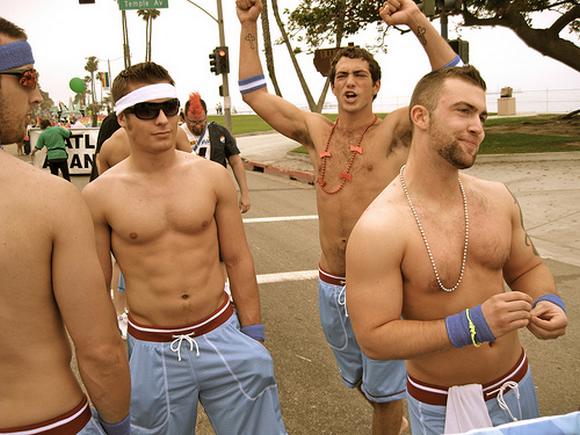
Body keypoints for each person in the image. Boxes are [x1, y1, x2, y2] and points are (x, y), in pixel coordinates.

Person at [236, 0, 462, 432]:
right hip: (330, 284)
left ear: (375, 86)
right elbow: (254, 93)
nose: (350, 82)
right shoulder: (315, 131)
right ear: (334, 85)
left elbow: (451, 83)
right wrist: (249, 24)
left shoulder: (397, 129)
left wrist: (415, 20)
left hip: (380, 284)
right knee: (362, 381)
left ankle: (392, 415)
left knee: (383, 396)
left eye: (360, 75)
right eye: (342, 75)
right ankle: (397, 416)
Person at [346, 65, 568, 435]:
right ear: (421, 116)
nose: (478, 126)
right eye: (463, 111)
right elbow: (374, 337)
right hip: (441, 405)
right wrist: (470, 326)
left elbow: (527, 267)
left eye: (481, 115)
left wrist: (548, 300)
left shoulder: (497, 198)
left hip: (516, 386)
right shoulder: (379, 227)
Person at [82, 61, 286, 434]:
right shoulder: (99, 196)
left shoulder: (211, 177)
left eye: (169, 107)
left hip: (222, 333)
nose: (162, 119)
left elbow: (238, 258)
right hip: (152, 349)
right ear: (123, 119)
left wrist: (254, 338)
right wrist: (112, 361)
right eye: (146, 110)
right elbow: (96, 288)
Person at [0, 17, 131, 434]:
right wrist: (118, 425)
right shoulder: (52, 200)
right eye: (25, 79)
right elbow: (100, 351)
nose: (36, 95)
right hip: (48, 420)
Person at [182, 92, 251, 213]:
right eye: (193, 123)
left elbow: (235, 162)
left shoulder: (219, 132)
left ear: (206, 116)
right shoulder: (176, 135)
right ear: (184, 117)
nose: (198, 127)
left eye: (201, 121)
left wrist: (245, 193)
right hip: (187, 192)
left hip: (216, 190)